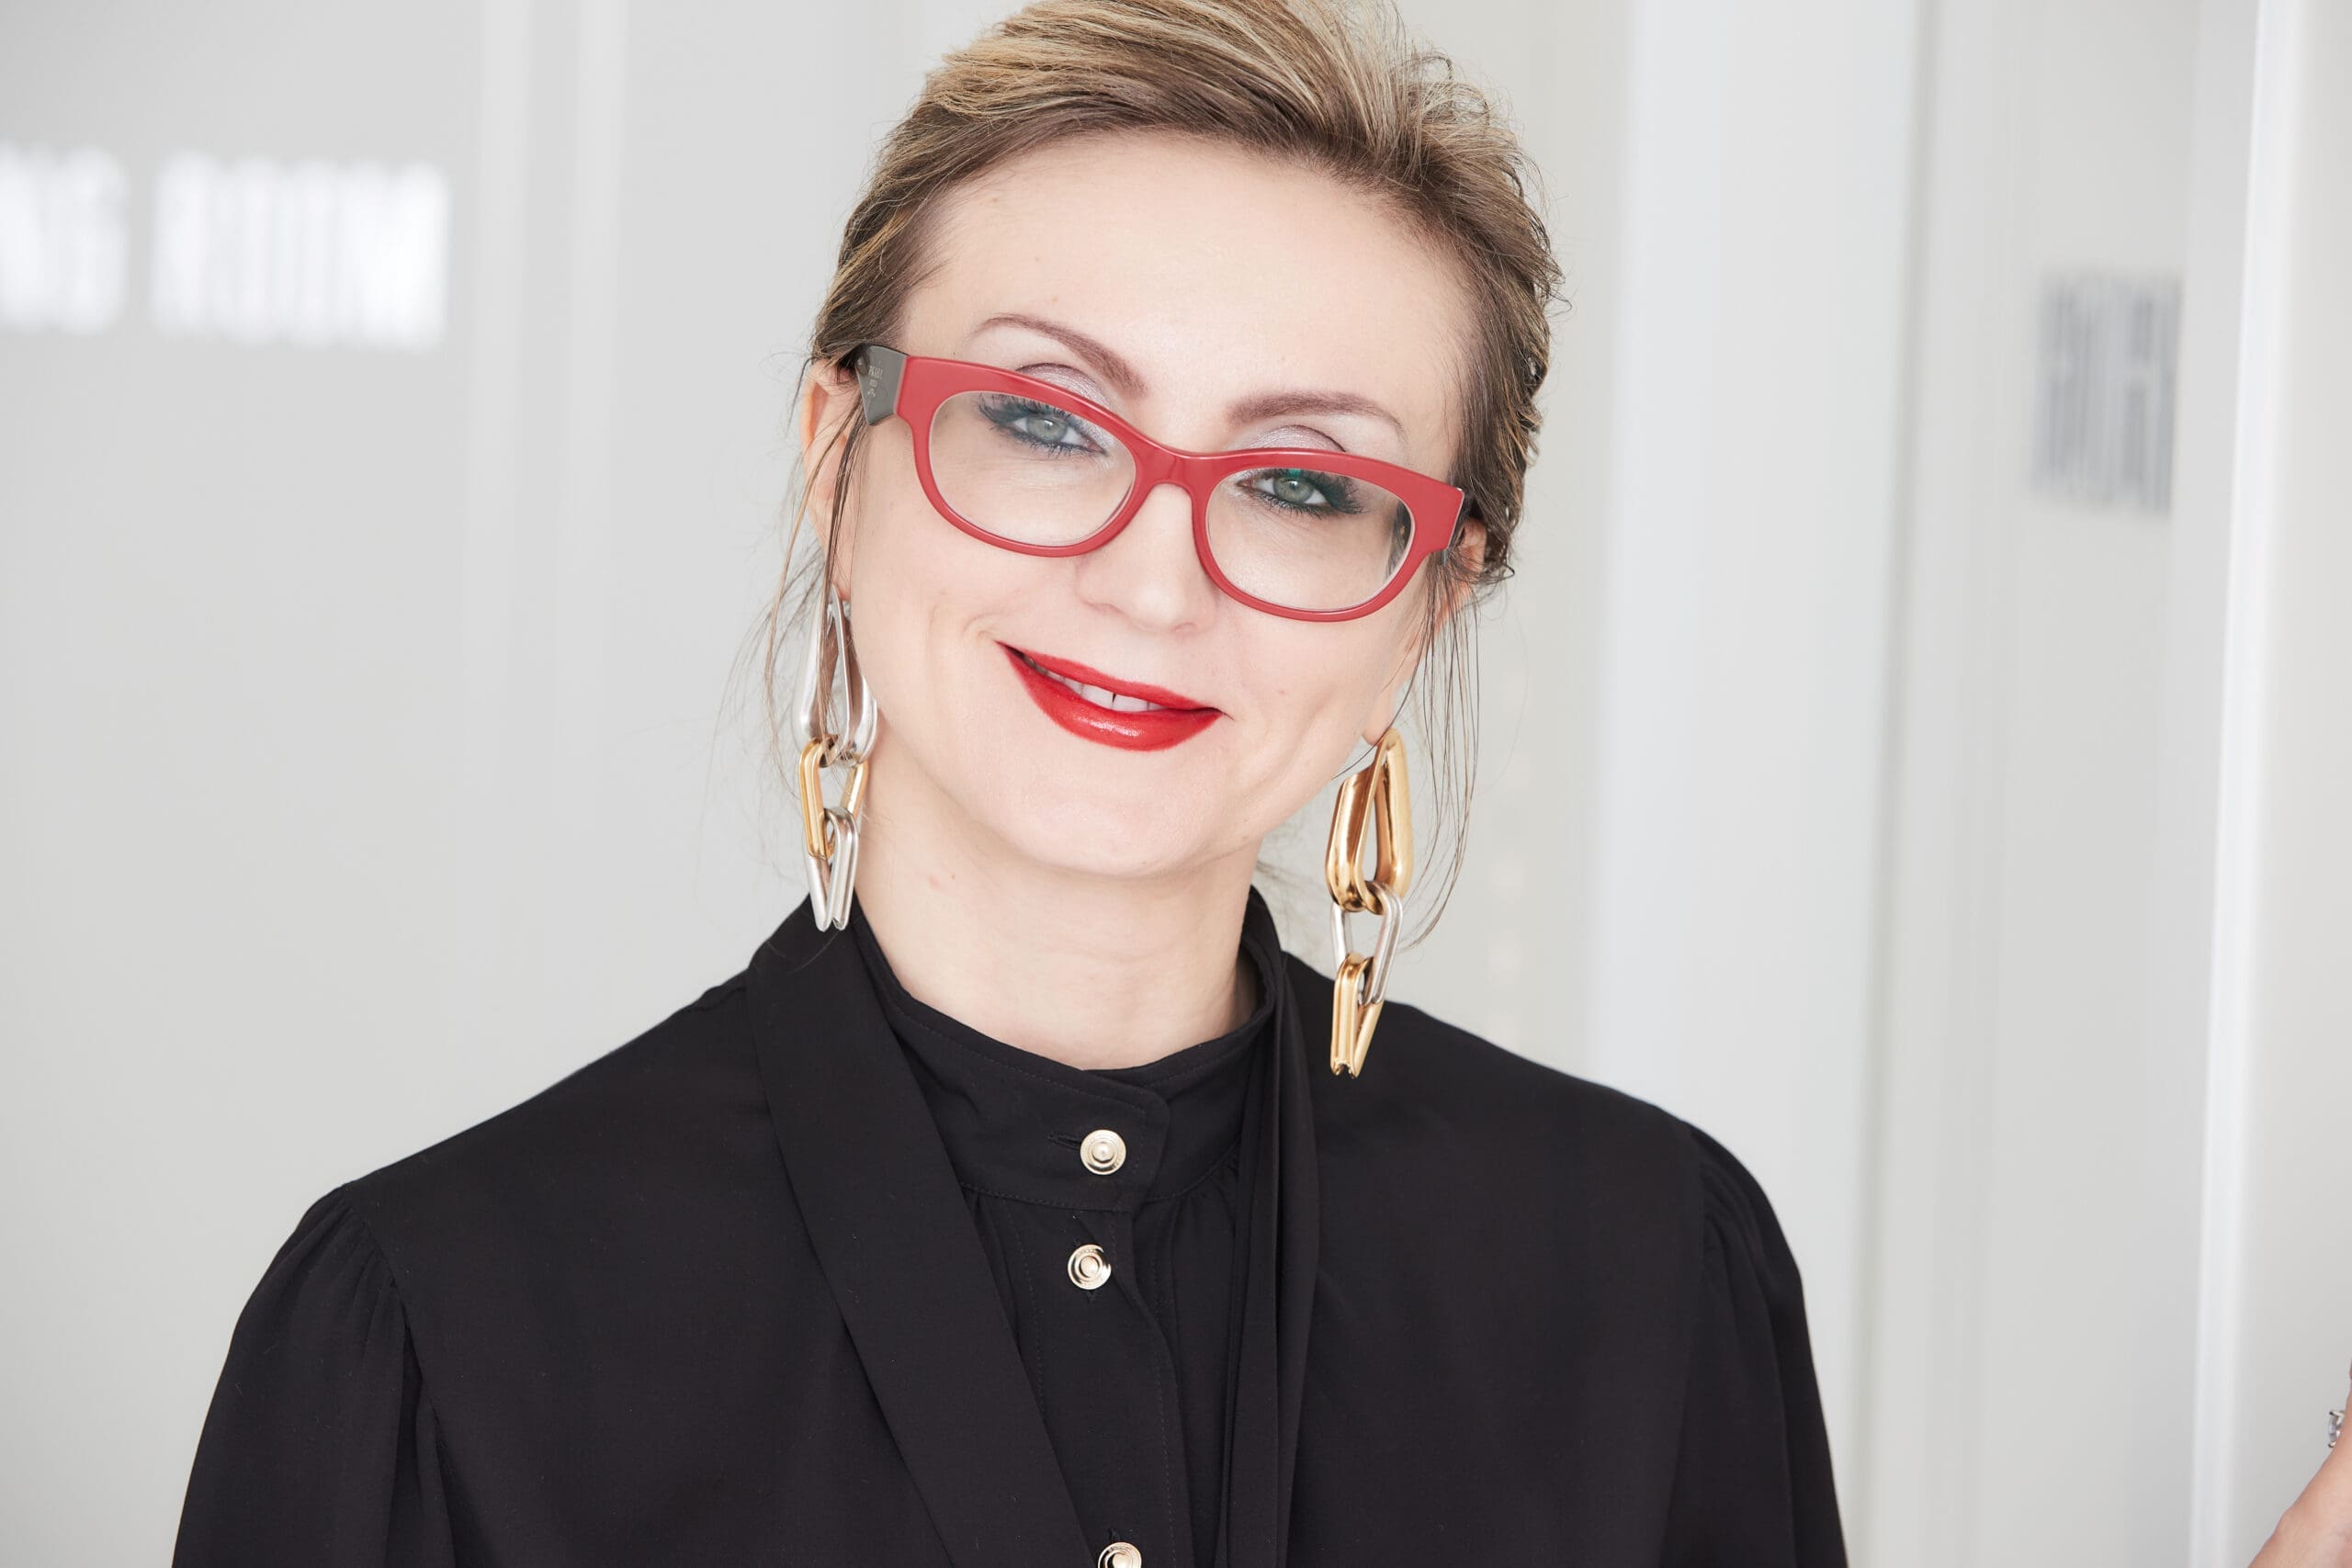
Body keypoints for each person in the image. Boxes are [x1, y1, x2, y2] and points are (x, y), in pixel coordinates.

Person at [171, 2, 1850, 1564]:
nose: (1153, 582)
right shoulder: (437, 1328)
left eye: (1300, 485)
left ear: (1429, 601)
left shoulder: (1655, 1279)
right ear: (837, 462)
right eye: (1047, 424)